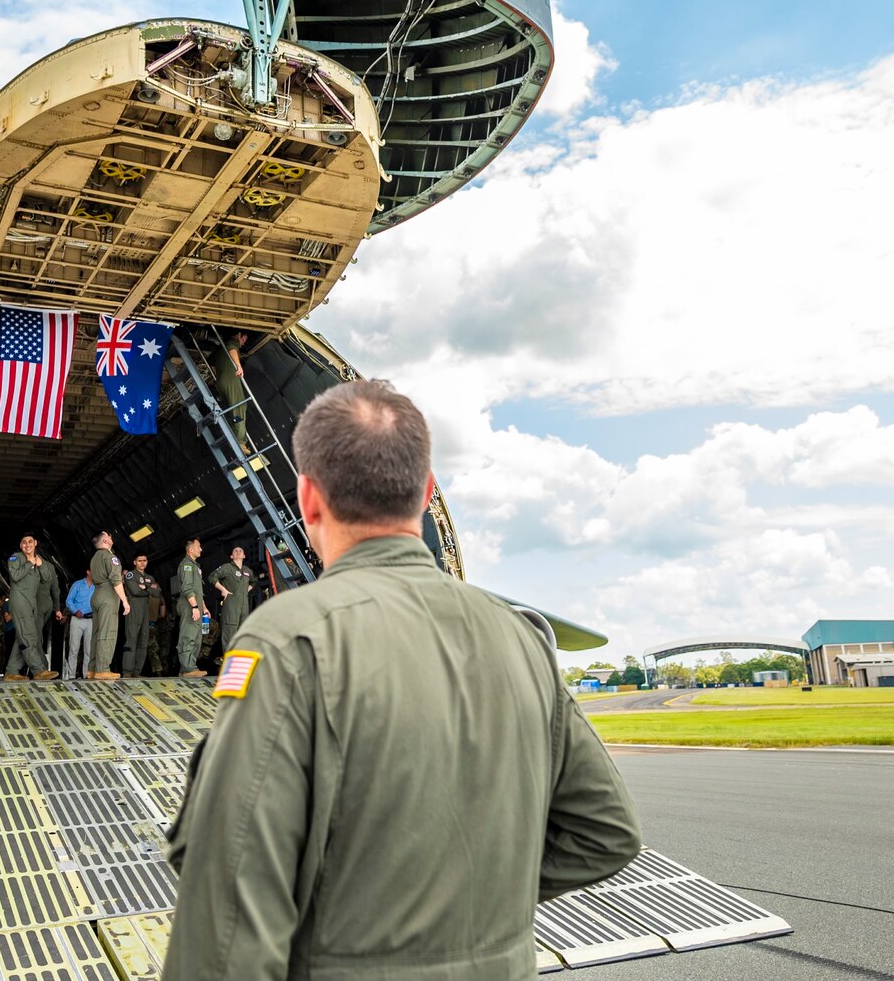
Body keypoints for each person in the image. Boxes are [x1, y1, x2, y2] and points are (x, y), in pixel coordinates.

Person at [163, 381, 640, 980]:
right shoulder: (521, 637)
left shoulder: (291, 638)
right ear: (427, 491)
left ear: (308, 498)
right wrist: (475, 901)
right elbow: (606, 833)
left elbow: (230, 904)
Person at [4, 534, 60, 681]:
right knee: (28, 636)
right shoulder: (15, 558)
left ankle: (11, 672)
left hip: (32, 603)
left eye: (30, 541)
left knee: (24, 637)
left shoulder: (38, 560)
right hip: (20, 601)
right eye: (23, 542)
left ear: (35, 543)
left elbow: (47, 579)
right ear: (20, 545)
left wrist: (40, 565)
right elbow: (15, 576)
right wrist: (29, 563)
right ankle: (38, 670)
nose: (27, 544)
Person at [86, 530, 129, 680]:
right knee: (108, 632)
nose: (111, 537)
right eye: (109, 536)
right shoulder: (110, 557)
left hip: (96, 594)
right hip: (107, 596)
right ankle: (103, 669)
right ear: (105, 541)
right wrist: (125, 601)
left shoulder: (94, 558)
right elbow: (116, 581)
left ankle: (92, 669)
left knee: (96, 634)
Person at [171, 538, 207, 678]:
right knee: (188, 635)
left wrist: (203, 608)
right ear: (190, 549)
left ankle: (187, 668)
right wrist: (195, 606)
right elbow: (187, 588)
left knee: (196, 637)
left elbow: (198, 591)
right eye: (199, 546)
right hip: (189, 605)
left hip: (195, 604)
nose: (201, 549)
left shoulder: (195, 566)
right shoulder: (186, 565)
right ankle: (188, 668)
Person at [210, 544, 256, 651]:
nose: (238, 552)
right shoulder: (227, 568)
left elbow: (254, 581)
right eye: (235, 551)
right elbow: (212, 577)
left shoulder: (248, 571)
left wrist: (246, 590)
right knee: (230, 634)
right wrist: (223, 590)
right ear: (231, 556)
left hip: (244, 607)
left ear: (244, 556)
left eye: (241, 550)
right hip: (231, 606)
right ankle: (228, 660)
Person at [213, 328, 252, 454]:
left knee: (233, 409)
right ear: (239, 334)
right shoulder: (232, 342)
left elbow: (214, 365)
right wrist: (238, 365)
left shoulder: (219, 350)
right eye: (244, 339)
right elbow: (232, 348)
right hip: (231, 380)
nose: (244, 343)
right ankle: (241, 442)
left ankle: (235, 435)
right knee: (240, 406)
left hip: (221, 381)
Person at [121, 552, 160, 677]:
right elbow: (135, 591)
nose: (142, 563)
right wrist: (149, 589)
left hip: (145, 610)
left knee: (143, 641)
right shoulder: (130, 575)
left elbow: (157, 592)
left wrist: (145, 587)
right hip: (133, 609)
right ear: (134, 562)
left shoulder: (150, 577)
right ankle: (127, 672)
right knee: (131, 640)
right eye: (139, 560)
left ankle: (137, 672)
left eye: (144, 560)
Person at [63, 571, 96, 679]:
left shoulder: (97, 586)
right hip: (77, 619)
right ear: (87, 572)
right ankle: (71, 675)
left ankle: (86, 675)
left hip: (91, 619)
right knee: (73, 649)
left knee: (89, 650)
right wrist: (75, 610)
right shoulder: (78, 584)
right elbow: (69, 600)